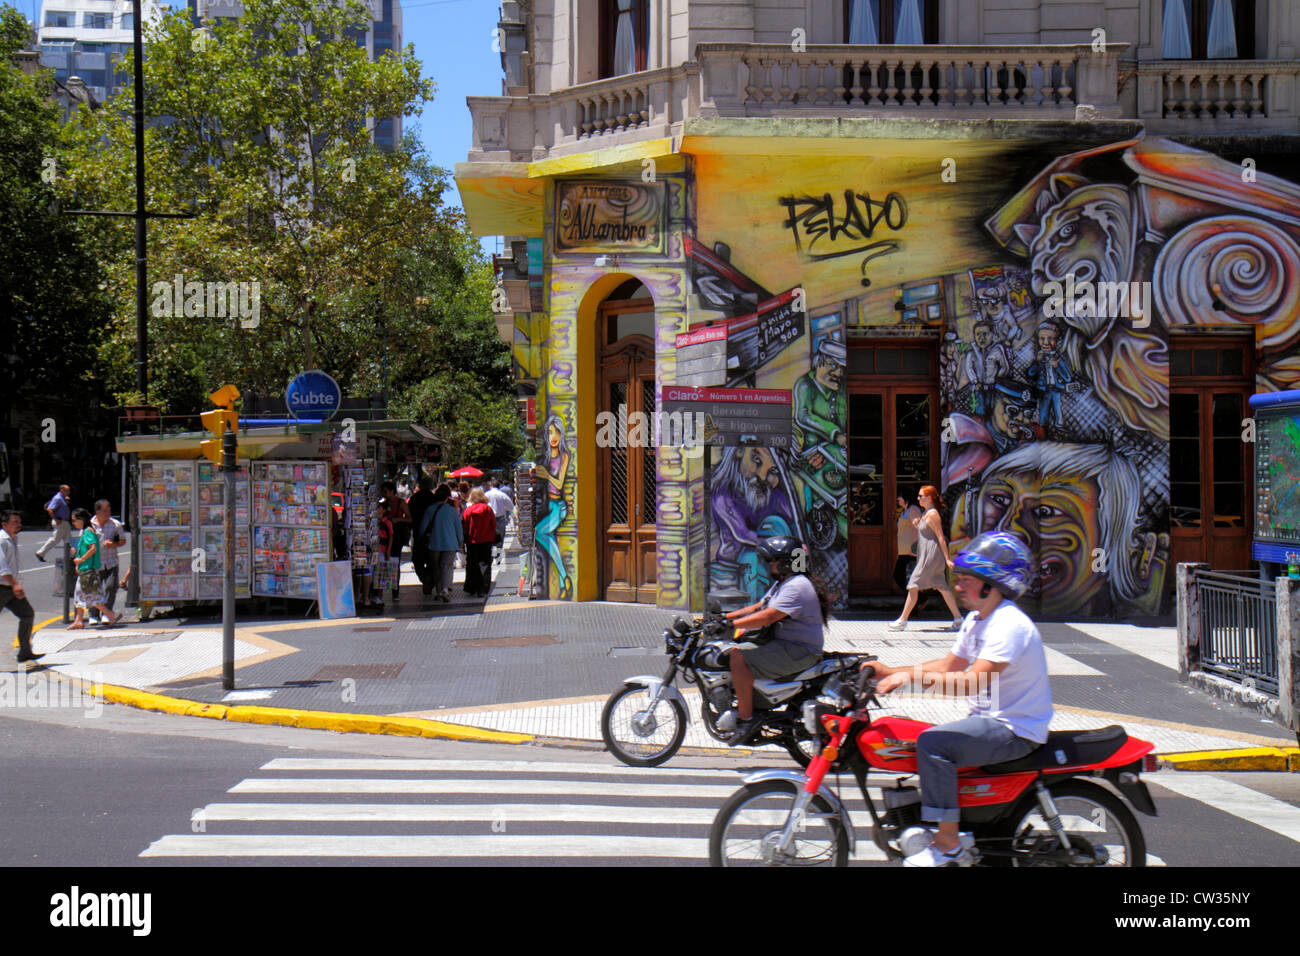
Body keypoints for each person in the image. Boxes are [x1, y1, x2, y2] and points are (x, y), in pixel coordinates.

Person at [864, 532, 1052, 867]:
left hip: (1014, 729)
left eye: (966, 580)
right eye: (959, 580)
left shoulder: (1008, 624)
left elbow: (970, 682)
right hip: (989, 722)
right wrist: (888, 669)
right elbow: (950, 665)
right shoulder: (978, 620)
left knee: (935, 744)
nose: (959, 587)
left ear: (991, 584)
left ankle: (948, 844)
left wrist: (909, 679)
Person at [722, 535, 828, 746]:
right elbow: (757, 607)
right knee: (731, 650)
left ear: (789, 561)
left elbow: (769, 616)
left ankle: (746, 720)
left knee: (738, 657)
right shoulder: (785, 582)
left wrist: (730, 626)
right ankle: (752, 702)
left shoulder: (796, 586)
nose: (771, 564)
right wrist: (723, 618)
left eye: (775, 560)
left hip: (799, 650)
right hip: (786, 646)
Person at [889, 485, 963, 631]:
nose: (918, 498)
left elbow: (940, 537)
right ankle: (959, 619)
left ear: (929, 498)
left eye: (921, 496)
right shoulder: (926, 513)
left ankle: (902, 620)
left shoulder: (933, 514)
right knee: (942, 586)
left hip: (932, 555)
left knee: (913, 585)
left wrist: (947, 559)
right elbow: (924, 535)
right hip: (926, 555)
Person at [0, 510, 42, 663]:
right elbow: (2, 568)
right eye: (15, 522)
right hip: (3, 587)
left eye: (19, 521)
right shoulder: (1, 540)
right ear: (4, 525)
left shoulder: (13, 538)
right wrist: (15, 584)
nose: (19, 525)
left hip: (9, 588)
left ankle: (25, 652)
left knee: (27, 614)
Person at [68, 508, 118, 629]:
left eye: (74, 520)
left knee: (92, 595)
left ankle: (109, 614)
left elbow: (93, 548)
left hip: (88, 569)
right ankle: (78, 620)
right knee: (79, 594)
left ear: (81, 520)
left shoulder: (88, 532)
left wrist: (81, 559)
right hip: (85, 568)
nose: (73, 523)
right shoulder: (87, 531)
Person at [416, 483, 462, 602]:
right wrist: (460, 541)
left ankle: (438, 590)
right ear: (448, 497)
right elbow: (458, 528)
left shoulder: (430, 510)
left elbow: (423, 528)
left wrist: (420, 540)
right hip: (450, 544)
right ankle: (445, 589)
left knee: (435, 567)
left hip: (434, 544)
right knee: (446, 567)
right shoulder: (452, 511)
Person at [89, 499, 126, 624]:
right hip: (95, 563)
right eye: (104, 511)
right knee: (95, 589)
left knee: (111, 587)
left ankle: (107, 612)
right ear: (97, 511)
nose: (107, 513)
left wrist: (113, 544)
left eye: (109, 510)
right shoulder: (89, 525)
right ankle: (93, 614)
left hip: (111, 561)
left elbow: (122, 540)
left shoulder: (116, 525)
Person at [461, 488, 497, 598]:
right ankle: (483, 588)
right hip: (486, 540)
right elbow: (493, 525)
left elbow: (464, 525)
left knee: (472, 564)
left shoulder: (468, 510)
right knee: (485, 564)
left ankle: (471, 587)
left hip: (472, 541)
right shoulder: (488, 509)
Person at [381, 481, 411, 602]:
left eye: (386, 492)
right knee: (384, 562)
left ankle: (395, 591)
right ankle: (382, 591)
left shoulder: (401, 503)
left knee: (395, 562)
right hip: (385, 536)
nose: (384, 494)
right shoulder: (383, 504)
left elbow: (409, 518)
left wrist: (397, 519)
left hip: (397, 536)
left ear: (392, 491)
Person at [407, 473, 435, 590]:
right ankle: (428, 579)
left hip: (418, 532)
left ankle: (425, 578)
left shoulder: (414, 498)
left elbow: (410, 514)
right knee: (431, 559)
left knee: (417, 559)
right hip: (432, 533)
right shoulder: (434, 498)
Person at [34, 483, 72, 562]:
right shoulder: (57, 498)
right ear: (61, 490)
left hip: (65, 522)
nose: (68, 492)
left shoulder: (62, 498)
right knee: (55, 539)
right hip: (60, 521)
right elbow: (50, 509)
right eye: (66, 491)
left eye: (68, 491)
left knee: (69, 539)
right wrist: (56, 519)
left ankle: (71, 556)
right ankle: (40, 552)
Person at [485, 478, 514, 564]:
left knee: (489, 539)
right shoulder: (502, 495)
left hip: (489, 519)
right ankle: (497, 558)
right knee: (500, 539)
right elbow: (511, 507)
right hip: (500, 518)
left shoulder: (486, 494)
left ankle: (490, 558)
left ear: (491, 486)